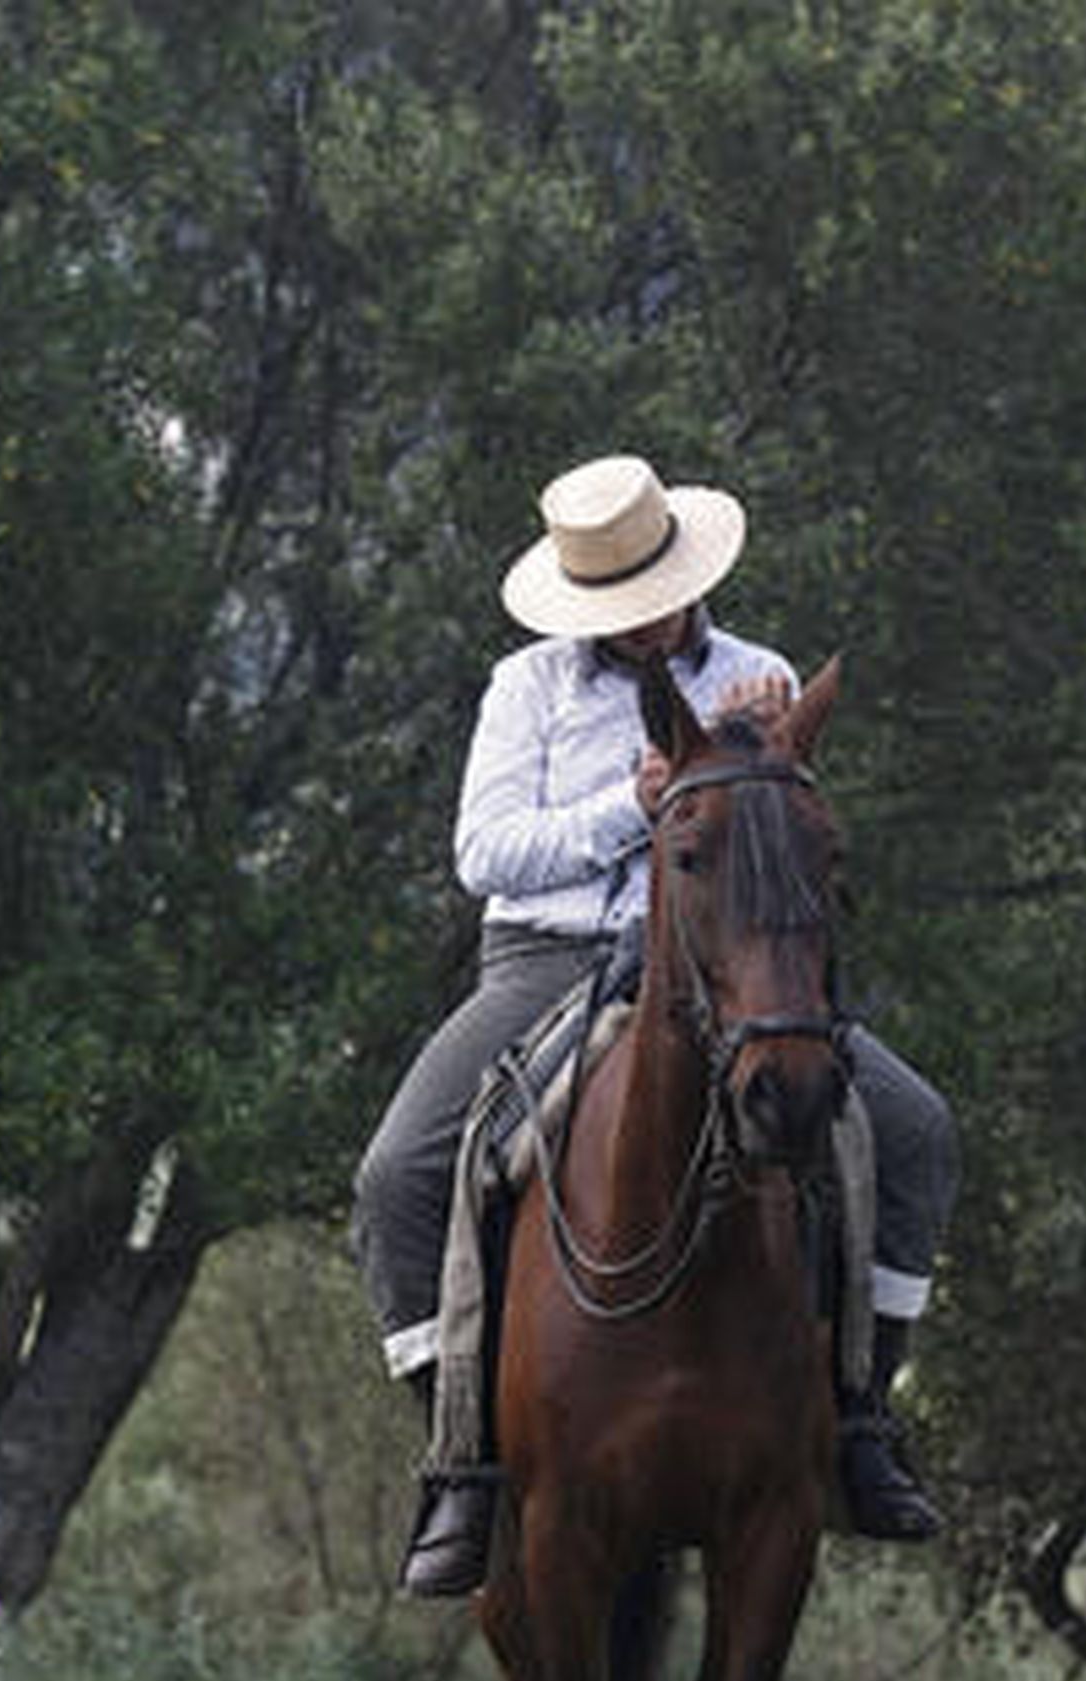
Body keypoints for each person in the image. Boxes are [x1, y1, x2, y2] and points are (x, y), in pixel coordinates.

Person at [353, 455, 959, 1596]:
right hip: (548, 959)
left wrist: (749, 770)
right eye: (620, 611)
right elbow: (484, 854)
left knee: (911, 1131)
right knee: (400, 1174)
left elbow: (791, 841)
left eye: (658, 599)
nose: (646, 625)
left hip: (725, 970)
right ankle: (461, 1463)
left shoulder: (757, 674)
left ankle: (861, 1417)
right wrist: (625, 808)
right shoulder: (525, 687)